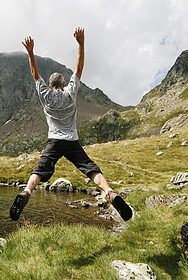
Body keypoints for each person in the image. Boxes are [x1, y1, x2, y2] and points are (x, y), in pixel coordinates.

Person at [10, 27, 132, 222]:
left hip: (54, 141)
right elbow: (79, 68)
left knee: (39, 170)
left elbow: (35, 73)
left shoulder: (45, 94)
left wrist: (31, 52)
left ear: (50, 86)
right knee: (91, 169)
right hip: (72, 141)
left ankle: (26, 192)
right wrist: (81, 43)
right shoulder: (70, 92)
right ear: (64, 83)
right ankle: (109, 192)